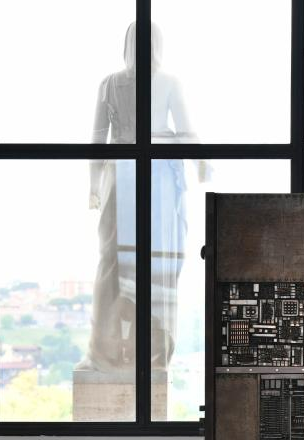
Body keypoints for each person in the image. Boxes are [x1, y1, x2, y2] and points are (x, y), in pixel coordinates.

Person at [82, 21, 200, 375]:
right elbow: (98, 139)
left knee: (133, 264)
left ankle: (131, 350)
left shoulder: (124, 83)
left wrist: (94, 184)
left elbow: (97, 142)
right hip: (142, 179)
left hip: (138, 178)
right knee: (130, 262)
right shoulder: (121, 83)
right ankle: (123, 350)